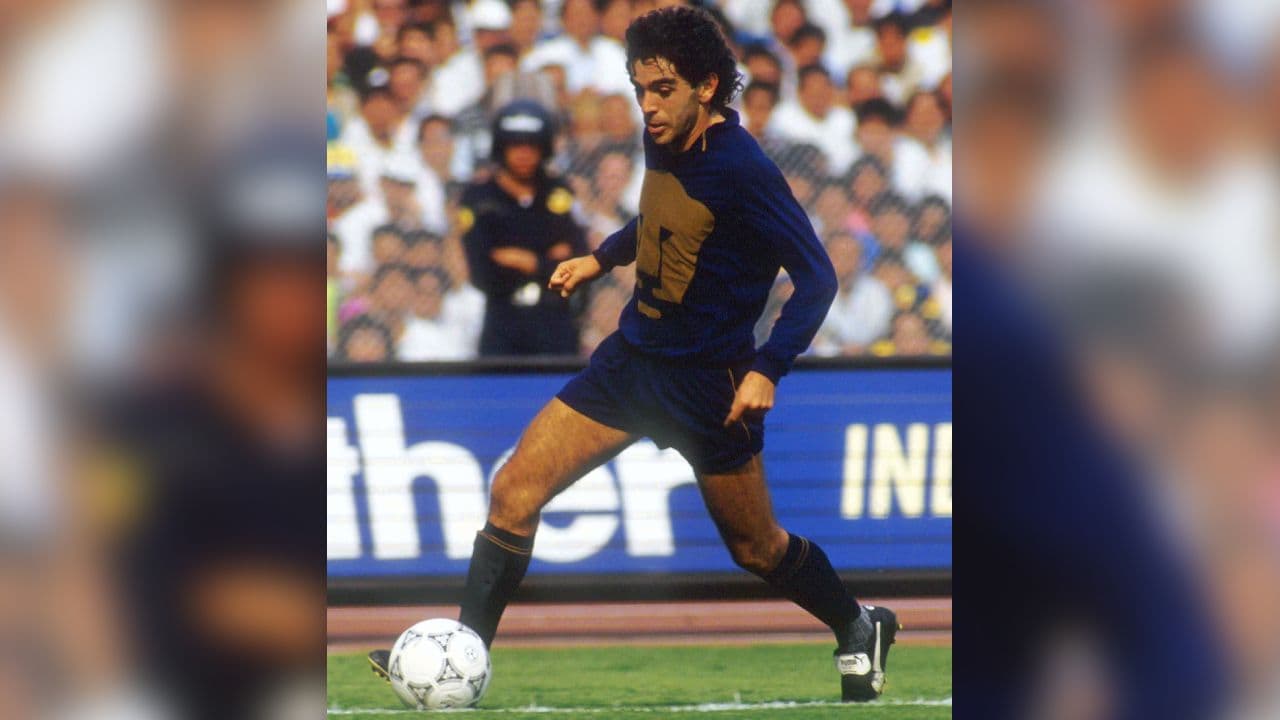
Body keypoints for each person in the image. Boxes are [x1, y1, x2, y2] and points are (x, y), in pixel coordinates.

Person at [369, 6, 897, 702]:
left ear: (707, 86)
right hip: (632, 363)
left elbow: (818, 277)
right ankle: (459, 659)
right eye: (640, 88)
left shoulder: (744, 169)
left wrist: (769, 368)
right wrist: (602, 257)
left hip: (710, 387)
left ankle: (859, 625)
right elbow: (661, 214)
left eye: (663, 89)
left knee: (756, 548)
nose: (647, 104)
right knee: (513, 491)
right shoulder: (665, 136)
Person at [460, 99, 588, 355]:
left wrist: (527, 261)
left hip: (556, 321)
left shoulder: (559, 192)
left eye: (532, 145)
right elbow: (482, 272)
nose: (524, 154)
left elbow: (577, 261)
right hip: (502, 323)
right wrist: (549, 261)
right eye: (515, 145)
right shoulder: (479, 197)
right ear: (501, 147)